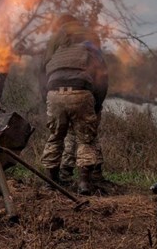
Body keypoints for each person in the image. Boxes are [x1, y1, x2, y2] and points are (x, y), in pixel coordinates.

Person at [39, 15, 108, 195]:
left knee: (55, 137)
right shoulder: (90, 43)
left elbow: (42, 74)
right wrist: (97, 104)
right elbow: (102, 77)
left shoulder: (56, 46)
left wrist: (46, 98)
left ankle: (50, 182)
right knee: (86, 139)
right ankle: (84, 183)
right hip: (81, 91)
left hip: (54, 92)